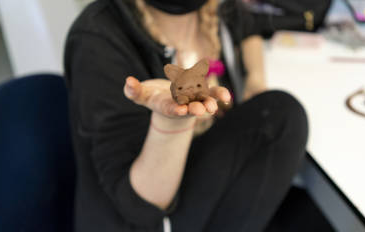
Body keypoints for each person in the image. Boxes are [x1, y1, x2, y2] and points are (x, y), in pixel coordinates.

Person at [64, 0, 308, 231]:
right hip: (137, 216)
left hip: (194, 181)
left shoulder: (219, 10)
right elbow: (140, 207)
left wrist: (255, 77)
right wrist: (172, 123)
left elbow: (250, 27)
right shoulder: (97, 38)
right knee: (281, 117)